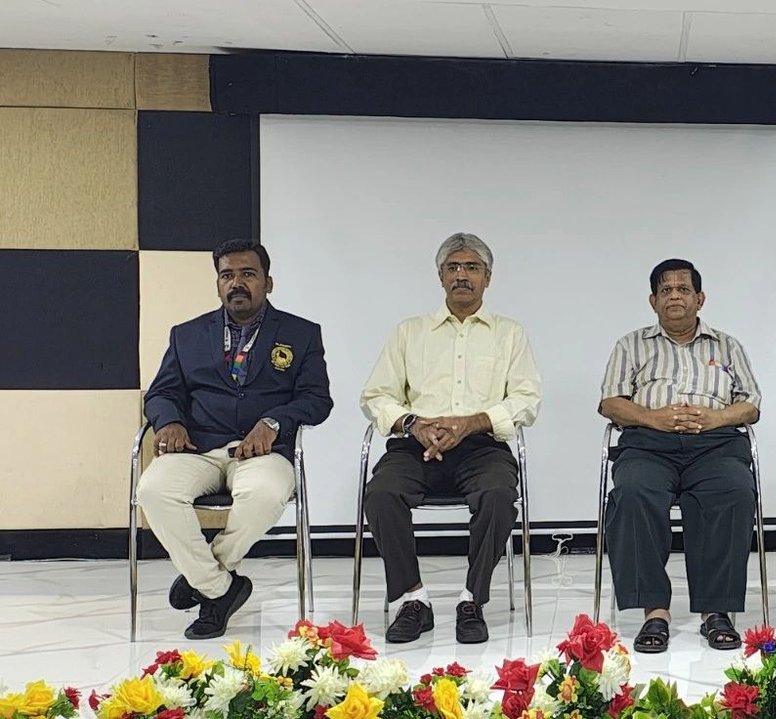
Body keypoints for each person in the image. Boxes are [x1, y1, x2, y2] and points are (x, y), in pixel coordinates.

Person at [138, 239, 333, 639]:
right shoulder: (187, 335)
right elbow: (161, 393)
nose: (236, 283)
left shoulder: (301, 334)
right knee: (153, 490)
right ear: (218, 284)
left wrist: (274, 422)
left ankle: (205, 579)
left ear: (268, 282)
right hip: (198, 448)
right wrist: (169, 422)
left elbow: (317, 399)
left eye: (248, 274)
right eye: (227, 275)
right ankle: (221, 589)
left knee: (265, 494)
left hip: (263, 452)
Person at [359, 232, 543, 644]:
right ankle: (413, 600)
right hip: (415, 445)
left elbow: (526, 399)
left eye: (472, 267)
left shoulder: (509, 333)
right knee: (381, 494)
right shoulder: (409, 332)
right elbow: (376, 395)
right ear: (440, 276)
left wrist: (471, 423)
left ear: (487, 278)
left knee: (498, 495)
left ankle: (472, 600)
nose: (462, 275)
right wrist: (413, 423)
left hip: (482, 447)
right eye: (453, 267)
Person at [598, 258, 760, 654]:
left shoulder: (727, 345)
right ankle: (655, 612)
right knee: (633, 492)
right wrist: (652, 418)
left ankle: (715, 611)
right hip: (649, 444)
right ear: (653, 300)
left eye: (683, 289)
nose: (674, 296)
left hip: (715, 445)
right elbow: (610, 403)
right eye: (666, 290)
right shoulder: (631, 344)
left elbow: (751, 404)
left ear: (699, 299)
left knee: (735, 491)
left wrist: (716, 418)